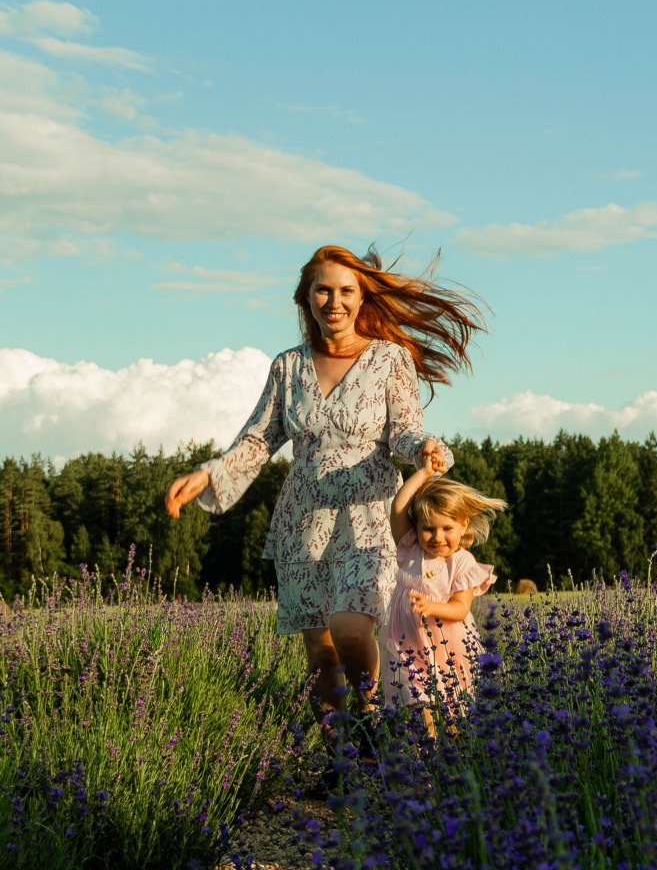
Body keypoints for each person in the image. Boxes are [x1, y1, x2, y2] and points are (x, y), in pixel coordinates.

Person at [164, 245, 484, 740]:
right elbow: (259, 438)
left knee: (351, 630)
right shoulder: (287, 367)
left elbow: (404, 429)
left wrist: (422, 447)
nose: (335, 302)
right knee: (320, 652)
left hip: (369, 517)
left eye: (346, 291)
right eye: (323, 290)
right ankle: (340, 756)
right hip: (303, 519)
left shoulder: (389, 359)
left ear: (361, 299)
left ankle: (372, 727)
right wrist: (210, 473)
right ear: (306, 298)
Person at [384, 467, 504, 716]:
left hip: (446, 652)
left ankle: (449, 740)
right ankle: (424, 742)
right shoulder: (411, 549)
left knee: (451, 715)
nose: (437, 537)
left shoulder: (462, 562)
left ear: (463, 524)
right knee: (419, 711)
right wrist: (424, 472)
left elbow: (460, 609)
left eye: (447, 528)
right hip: (407, 648)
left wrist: (432, 607)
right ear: (416, 527)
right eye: (429, 529)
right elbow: (398, 508)